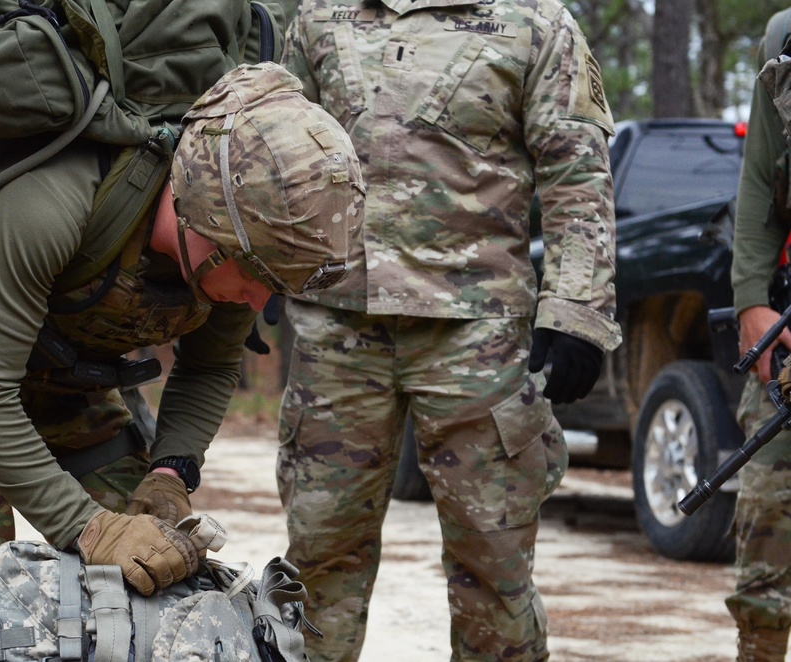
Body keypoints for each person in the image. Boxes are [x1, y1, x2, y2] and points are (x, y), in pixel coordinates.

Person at [0, 61, 365, 661]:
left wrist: (169, 477)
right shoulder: (50, 204)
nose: (260, 300)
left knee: (154, 579)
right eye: (257, 278)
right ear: (204, 217)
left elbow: (209, 368)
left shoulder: (247, 250)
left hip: (63, 365)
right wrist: (90, 527)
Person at [274, 1, 620, 660]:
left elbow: (576, 176)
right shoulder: (322, 17)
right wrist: (255, 261)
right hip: (339, 333)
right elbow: (278, 148)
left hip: (477, 338)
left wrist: (576, 309)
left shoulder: (536, 24)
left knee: (493, 568)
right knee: (318, 559)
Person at [728, 8, 791, 661]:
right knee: (768, 506)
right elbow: (759, 179)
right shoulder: (786, 40)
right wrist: (751, 300)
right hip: (786, 320)